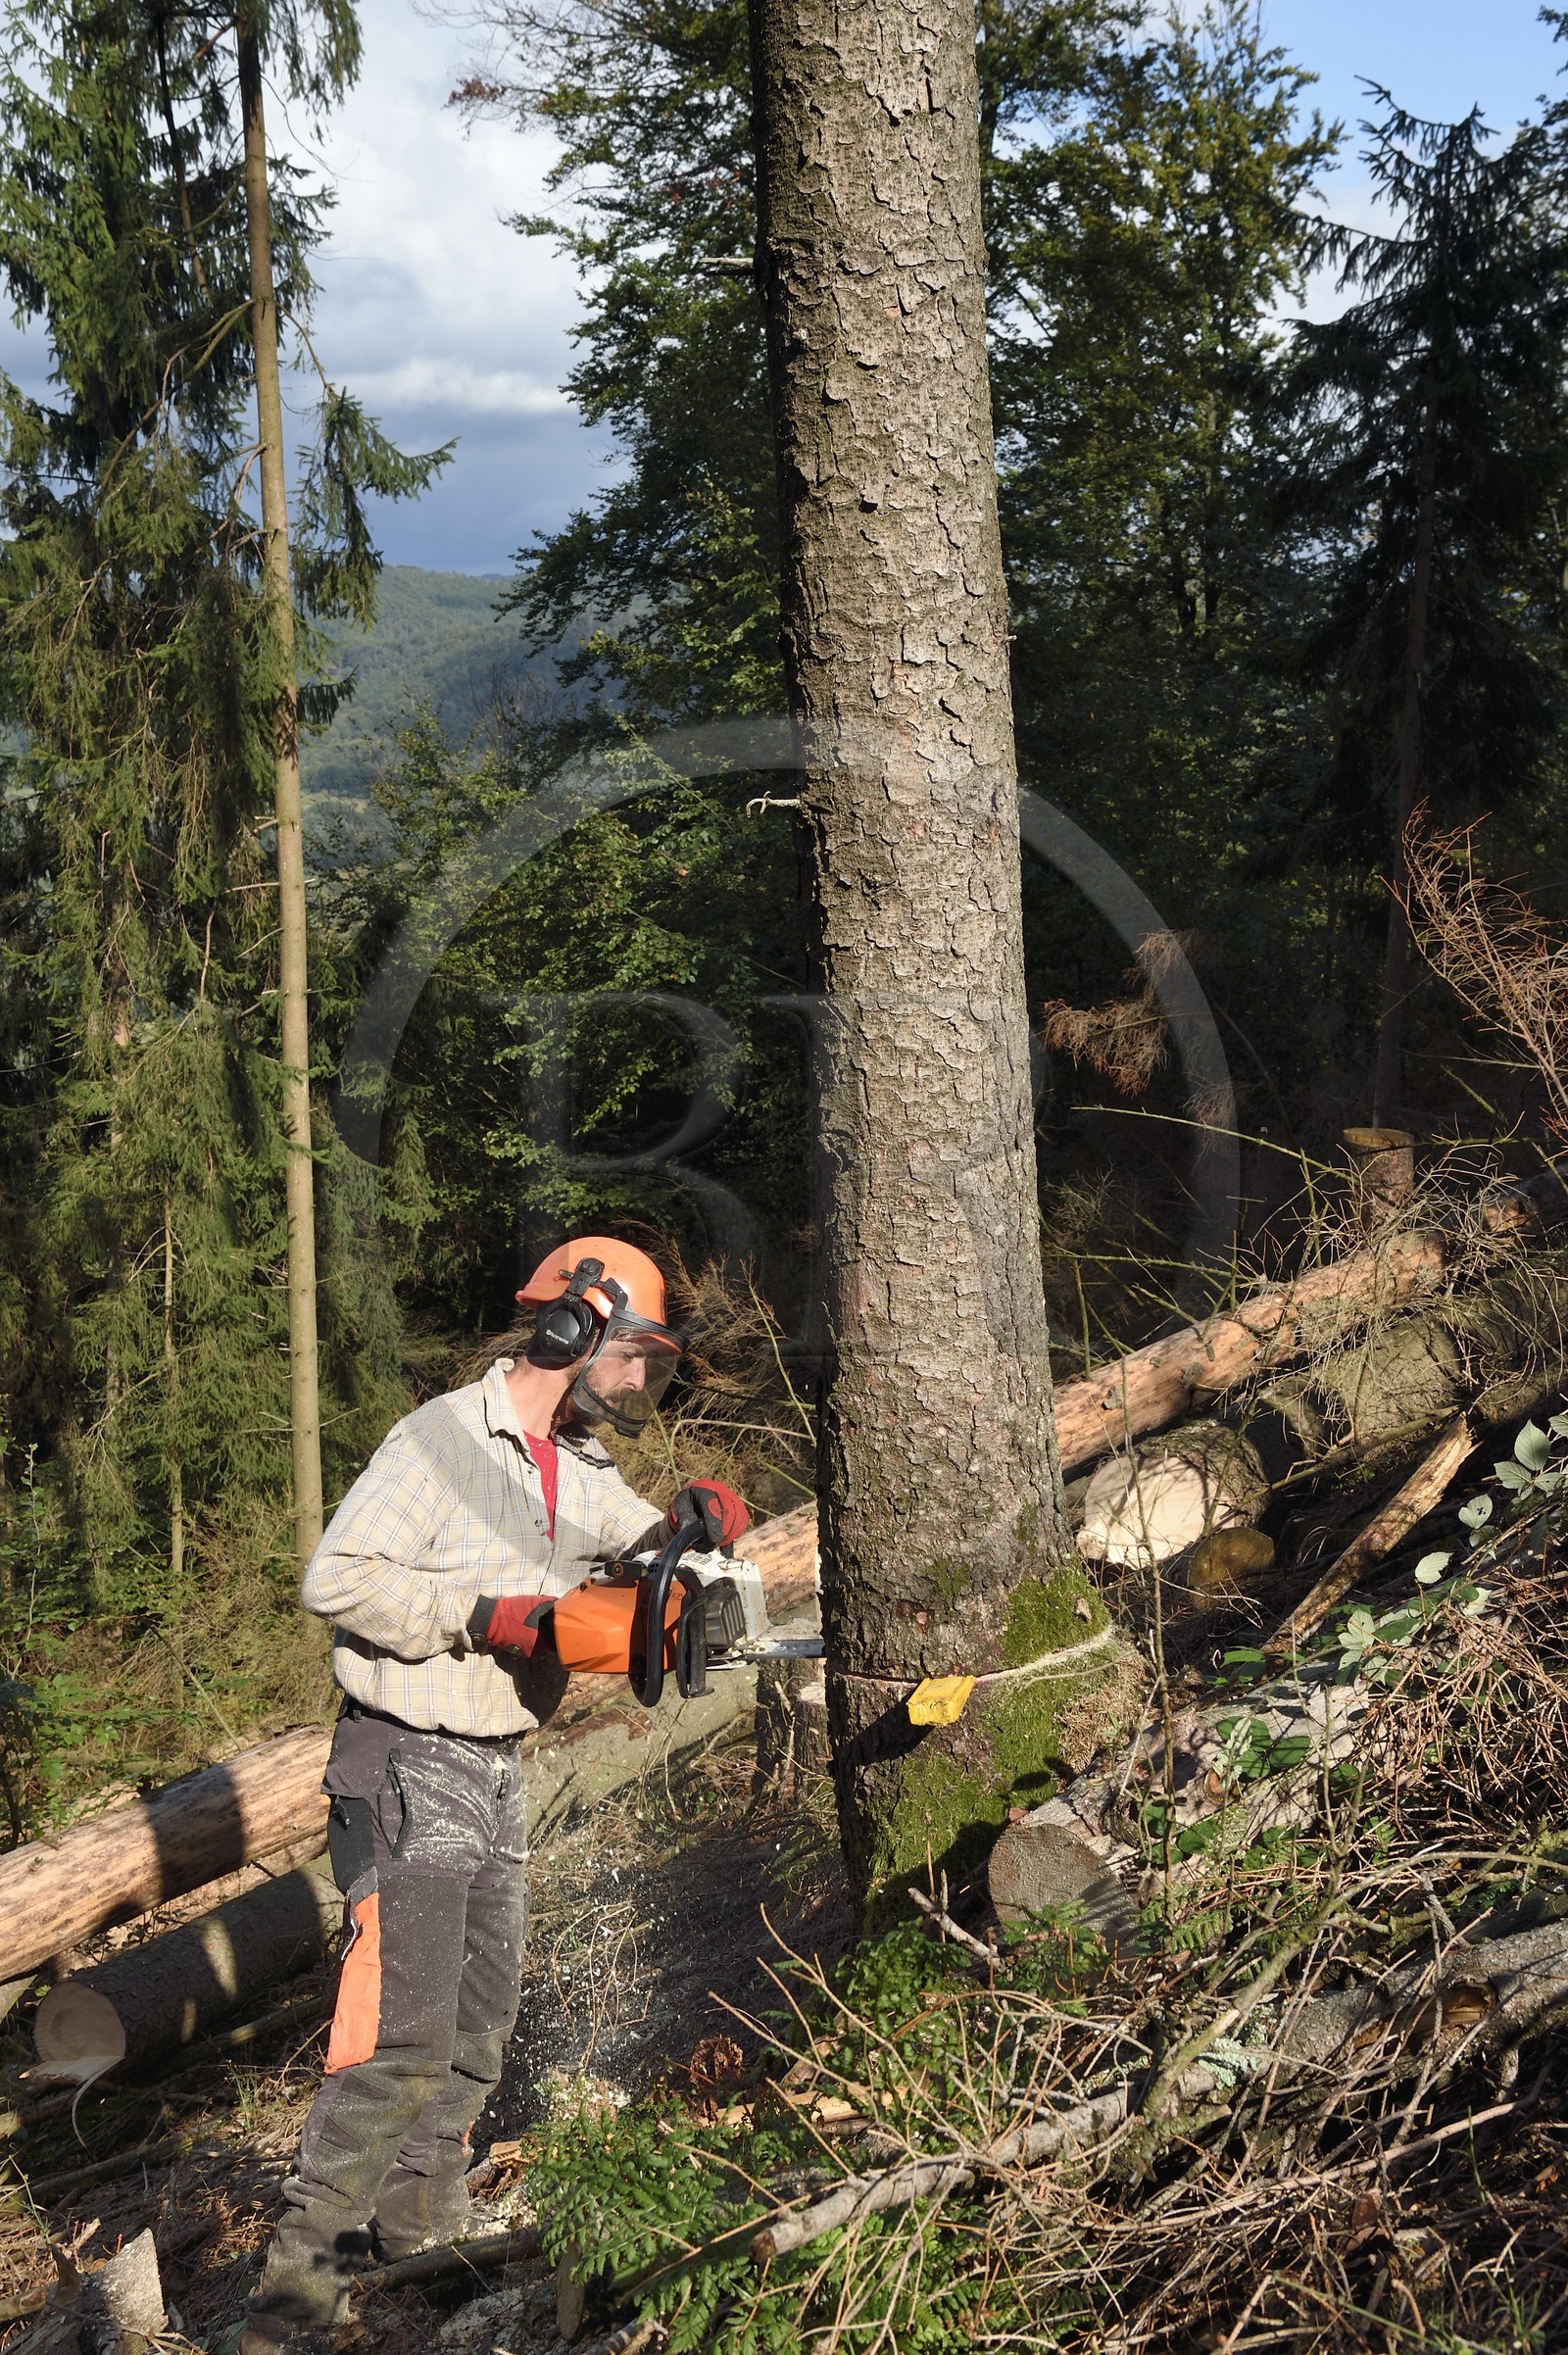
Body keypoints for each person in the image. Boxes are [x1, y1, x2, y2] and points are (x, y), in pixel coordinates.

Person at [241, 1238, 748, 2351]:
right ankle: (284, 2312)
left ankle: (419, 2250)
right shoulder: (439, 1443)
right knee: (401, 2045)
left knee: (477, 2033)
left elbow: (647, 1552)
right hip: (404, 1758)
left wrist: (698, 1525)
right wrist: (487, 1612)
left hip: (493, 1764)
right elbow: (336, 1579)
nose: (638, 1384)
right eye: (635, 1357)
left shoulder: (576, 1468)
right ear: (573, 1329)